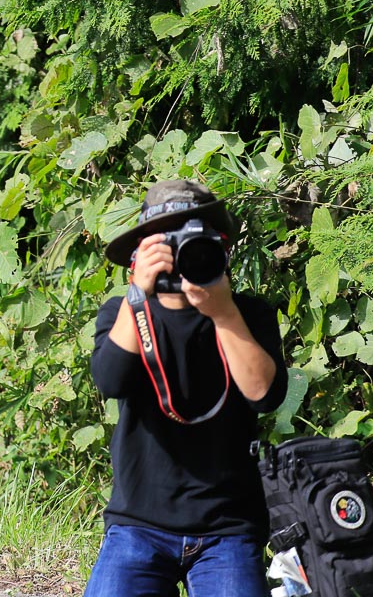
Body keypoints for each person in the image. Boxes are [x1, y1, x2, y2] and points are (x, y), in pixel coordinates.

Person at [86, 179, 289, 597]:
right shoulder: (121, 314)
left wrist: (223, 312)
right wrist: (137, 293)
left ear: (222, 247)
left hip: (228, 527)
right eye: (166, 242)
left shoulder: (248, 314)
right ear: (139, 253)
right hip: (138, 523)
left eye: (191, 239)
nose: (179, 257)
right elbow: (109, 381)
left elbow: (265, 395)